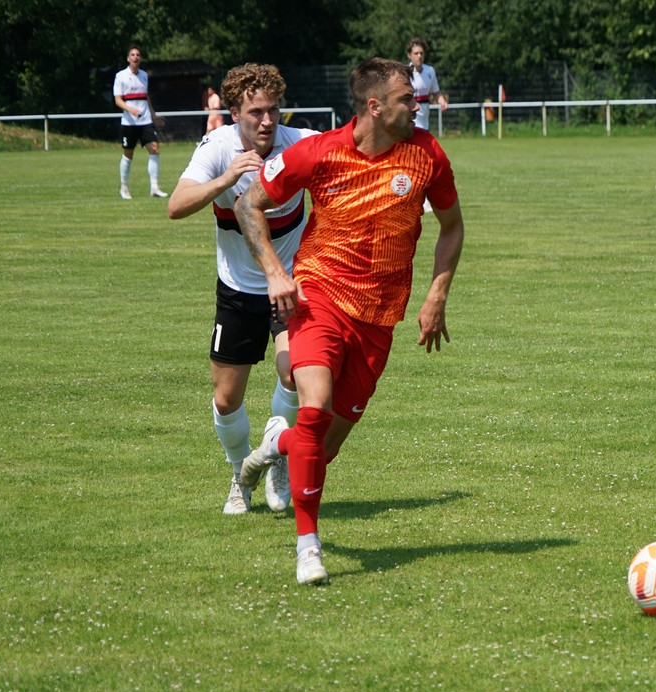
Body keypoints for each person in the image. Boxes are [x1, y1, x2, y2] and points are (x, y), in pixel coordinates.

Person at [234, 57, 464, 585]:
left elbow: (452, 226)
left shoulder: (427, 154)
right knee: (314, 407)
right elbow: (249, 205)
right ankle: (308, 548)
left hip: (379, 317)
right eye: (408, 99)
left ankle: (276, 445)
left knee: (324, 446)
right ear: (375, 106)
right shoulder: (318, 152)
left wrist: (437, 295)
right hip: (318, 296)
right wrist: (276, 273)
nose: (418, 106)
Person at [168, 63, 318, 515]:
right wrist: (226, 179)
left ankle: (275, 458)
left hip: (289, 283)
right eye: (256, 112)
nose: (267, 121)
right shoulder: (217, 148)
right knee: (226, 398)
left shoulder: (300, 143)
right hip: (236, 289)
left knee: (294, 372)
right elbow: (176, 206)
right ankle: (241, 474)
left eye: (274, 110)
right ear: (234, 113)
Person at [113, 45, 168, 199]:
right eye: (133, 55)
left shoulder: (144, 75)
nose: (135, 57)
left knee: (154, 149)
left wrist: (153, 115)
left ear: (141, 58)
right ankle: (124, 187)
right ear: (128, 58)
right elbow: (118, 100)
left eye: (138, 55)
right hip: (129, 123)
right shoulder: (121, 76)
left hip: (145, 121)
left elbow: (145, 97)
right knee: (128, 154)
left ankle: (154, 187)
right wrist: (131, 110)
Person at [406, 37, 448, 131]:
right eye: (416, 53)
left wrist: (442, 102)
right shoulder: (405, 73)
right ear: (409, 55)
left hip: (424, 121)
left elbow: (436, 92)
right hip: (410, 121)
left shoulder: (430, 71)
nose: (419, 56)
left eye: (421, 53)